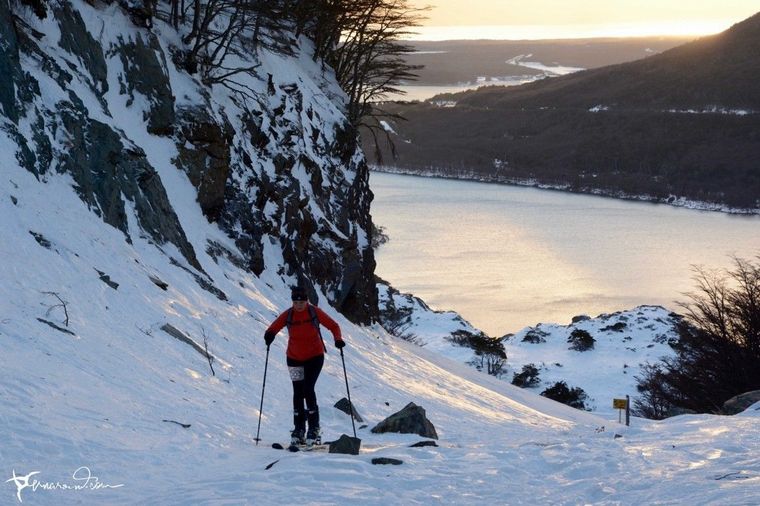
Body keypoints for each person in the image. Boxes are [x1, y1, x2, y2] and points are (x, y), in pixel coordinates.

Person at [264, 287, 345, 446]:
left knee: (308, 389)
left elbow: (333, 325)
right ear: (292, 302)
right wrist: (269, 335)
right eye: (296, 302)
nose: (299, 305)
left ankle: (314, 428)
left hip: (315, 358)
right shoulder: (289, 314)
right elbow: (274, 327)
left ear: (306, 301)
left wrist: (338, 339)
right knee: (297, 392)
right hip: (293, 359)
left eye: (301, 302)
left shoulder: (314, 312)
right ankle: (299, 428)